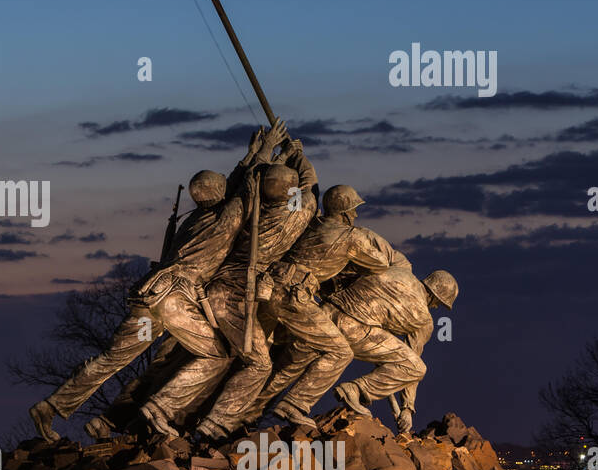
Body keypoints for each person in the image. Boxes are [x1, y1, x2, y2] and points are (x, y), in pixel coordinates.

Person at [25, 124, 279, 441]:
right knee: (217, 353)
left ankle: (51, 407)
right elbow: (247, 189)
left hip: (148, 294)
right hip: (174, 298)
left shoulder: (193, 219)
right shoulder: (225, 217)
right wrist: (265, 152)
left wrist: (250, 154)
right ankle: (160, 409)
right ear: (220, 194)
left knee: (111, 359)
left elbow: (233, 185)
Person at [145, 133, 318, 440]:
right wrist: (297, 154)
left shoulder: (250, 214)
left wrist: (269, 156)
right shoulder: (300, 212)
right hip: (236, 296)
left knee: (218, 354)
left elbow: (245, 186)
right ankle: (213, 425)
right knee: (259, 364)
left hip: (213, 292)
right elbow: (309, 183)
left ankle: (164, 410)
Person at [251, 184, 411, 429]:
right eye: (354, 210)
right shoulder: (350, 236)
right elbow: (379, 265)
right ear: (346, 212)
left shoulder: (312, 224)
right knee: (340, 352)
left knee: (282, 361)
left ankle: (247, 414)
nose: (356, 216)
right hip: (294, 295)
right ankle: (293, 406)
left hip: (270, 288)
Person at [325, 268, 458, 434]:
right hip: (357, 329)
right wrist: (407, 408)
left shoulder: (399, 273)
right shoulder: (423, 317)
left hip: (328, 312)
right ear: (434, 295)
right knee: (416, 367)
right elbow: (411, 360)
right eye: (439, 303)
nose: (437, 307)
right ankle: (356, 389)